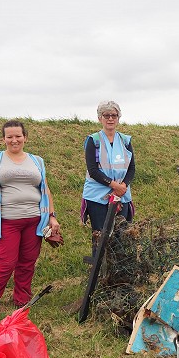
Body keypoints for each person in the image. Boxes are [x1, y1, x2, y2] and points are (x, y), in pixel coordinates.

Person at [0, 120, 60, 320]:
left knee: (27, 262)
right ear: (3, 139)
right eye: (10, 136)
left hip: (35, 220)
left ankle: (21, 300)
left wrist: (52, 217)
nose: (14, 140)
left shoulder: (37, 161)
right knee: (5, 264)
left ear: (25, 137)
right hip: (8, 221)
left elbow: (45, 189)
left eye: (18, 136)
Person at [81, 101, 135, 253]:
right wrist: (113, 185)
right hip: (98, 197)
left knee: (120, 236)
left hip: (122, 195)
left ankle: (118, 275)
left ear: (118, 118)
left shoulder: (125, 141)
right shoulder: (93, 140)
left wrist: (123, 186)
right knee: (101, 237)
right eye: (106, 115)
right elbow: (93, 170)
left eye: (114, 115)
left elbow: (132, 168)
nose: (110, 119)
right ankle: (98, 274)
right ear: (100, 118)